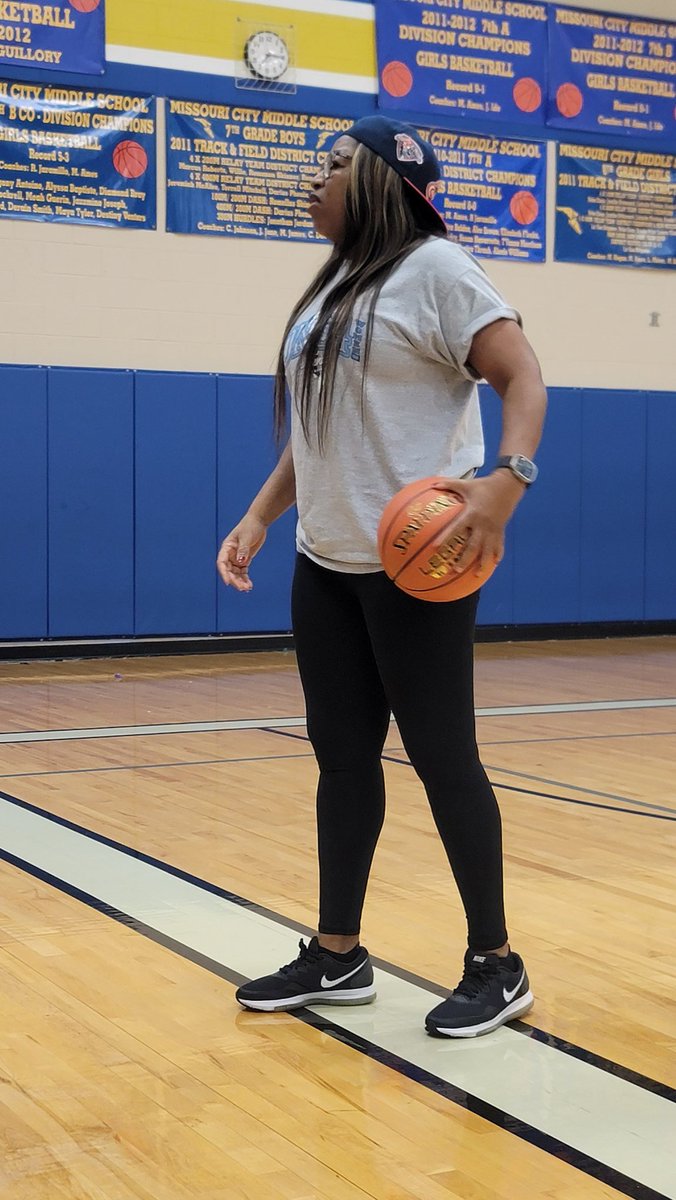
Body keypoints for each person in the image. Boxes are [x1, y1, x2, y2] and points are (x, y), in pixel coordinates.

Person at [217, 115, 547, 1038]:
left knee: (445, 760)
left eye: (330, 165)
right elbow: (318, 433)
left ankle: (497, 964)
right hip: (326, 563)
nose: (311, 182)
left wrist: (504, 484)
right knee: (341, 761)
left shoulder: (437, 271)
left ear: (382, 181)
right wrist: (259, 515)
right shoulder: (333, 291)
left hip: (420, 568)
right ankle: (338, 954)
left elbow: (525, 381)